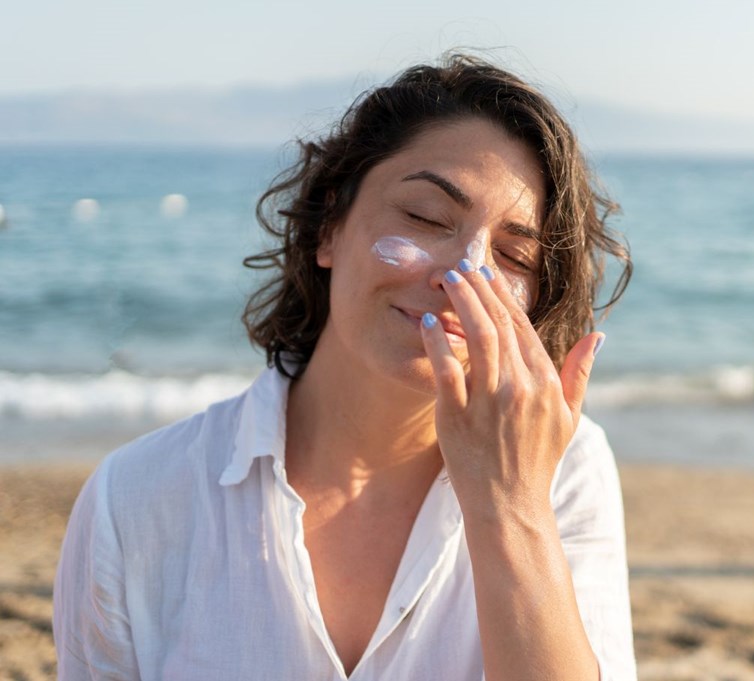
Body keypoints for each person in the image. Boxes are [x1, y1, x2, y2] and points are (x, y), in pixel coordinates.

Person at [53, 54, 636, 680]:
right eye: (425, 218)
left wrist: (511, 507)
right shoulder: (136, 498)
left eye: (514, 255)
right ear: (329, 226)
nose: (464, 274)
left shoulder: (566, 472)